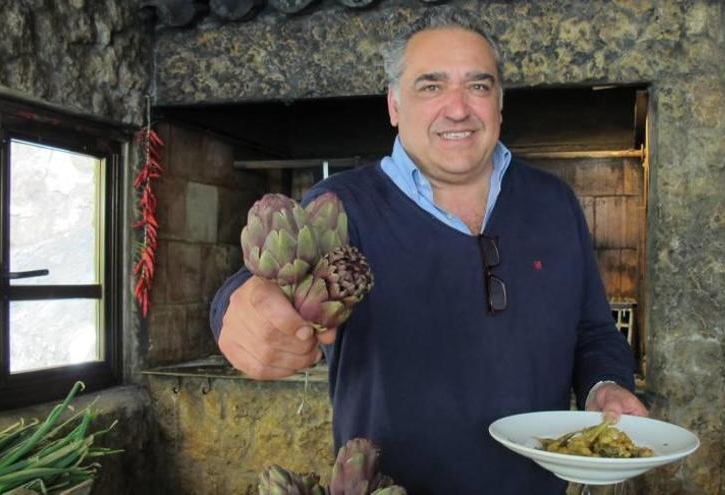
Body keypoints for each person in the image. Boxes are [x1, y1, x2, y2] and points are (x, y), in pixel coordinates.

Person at [210, 7, 647, 494]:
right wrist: (237, 309)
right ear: (394, 104)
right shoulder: (341, 207)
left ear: (500, 104)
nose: (458, 108)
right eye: (431, 86)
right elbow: (257, 288)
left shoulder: (555, 203)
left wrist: (605, 385)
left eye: (479, 86)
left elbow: (594, 333)